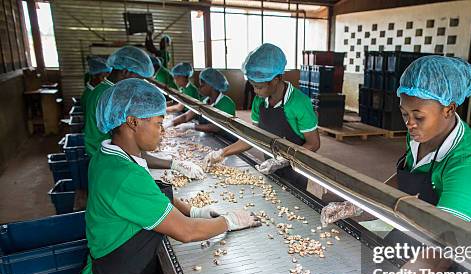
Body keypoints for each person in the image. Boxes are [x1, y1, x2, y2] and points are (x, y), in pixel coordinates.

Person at [321, 55, 471, 274]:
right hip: (428, 226)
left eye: (418, 116)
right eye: (405, 114)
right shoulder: (419, 134)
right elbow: (406, 177)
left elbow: (441, 251)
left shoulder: (467, 165)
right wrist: (358, 205)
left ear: (449, 108)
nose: (409, 124)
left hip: (465, 249)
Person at [71, 79, 261, 274]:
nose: (163, 131)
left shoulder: (108, 156)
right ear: (132, 122)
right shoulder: (124, 175)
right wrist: (231, 221)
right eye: (158, 124)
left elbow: (153, 196)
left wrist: (195, 210)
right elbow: (185, 231)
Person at [203, 43, 320, 190]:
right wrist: (222, 153)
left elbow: (314, 143)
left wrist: (283, 160)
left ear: (276, 80)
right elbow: (253, 137)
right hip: (270, 165)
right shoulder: (259, 101)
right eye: (252, 86)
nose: (255, 91)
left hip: (297, 170)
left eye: (259, 87)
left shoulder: (298, 102)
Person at [82, 46, 202, 179]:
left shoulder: (109, 92)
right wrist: (174, 164)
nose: (141, 84)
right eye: (139, 79)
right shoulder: (108, 96)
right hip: (110, 169)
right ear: (126, 72)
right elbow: (127, 148)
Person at [165, 68, 236, 137]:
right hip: (211, 137)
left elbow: (217, 127)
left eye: (203, 84)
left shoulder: (227, 103)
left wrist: (191, 126)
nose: (200, 87)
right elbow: (186, 116)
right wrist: (170, 123)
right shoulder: (204, 101)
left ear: (211, 85)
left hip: (225, 139)